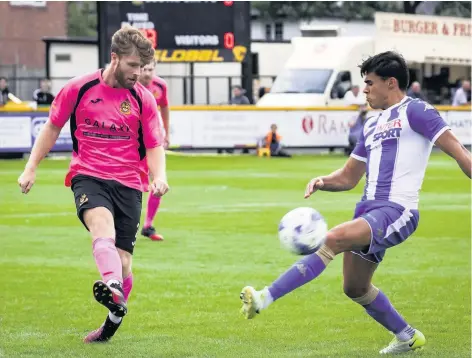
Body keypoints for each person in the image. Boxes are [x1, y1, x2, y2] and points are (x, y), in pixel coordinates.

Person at [240, 51, 471, 355]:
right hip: (367, 210)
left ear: (391, 83)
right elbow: (349, 177)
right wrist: (323, 180)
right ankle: (407, 336)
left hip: (397, 210)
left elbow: (459, 152)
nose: (364, 90)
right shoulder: (371, 125)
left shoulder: (417, 111)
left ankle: (263, 298)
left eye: (369, 83)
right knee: (355, 288)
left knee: (331, 239)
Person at [17, 26, 169, 344]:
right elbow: (52, 127)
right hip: (88, 174)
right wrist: (31, 167)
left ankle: (112, 315)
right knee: (102, 226)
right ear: (114, 58)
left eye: (142, 68)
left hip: (129, 182)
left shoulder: (143, 99)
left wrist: (159, 177)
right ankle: (112, 286)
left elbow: (155, 145)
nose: (138, 74)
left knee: (124, 261)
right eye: (132, 66)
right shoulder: (80, 87)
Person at [138, 59, 170, 241]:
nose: (148, 73)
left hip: (152, 139)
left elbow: (164, 107)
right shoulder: (128, 85)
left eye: (151, 69)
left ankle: (148, 225)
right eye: (144, 69)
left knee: (158, 181)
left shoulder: (160, 86)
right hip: (132, 141)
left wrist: (166, 132)